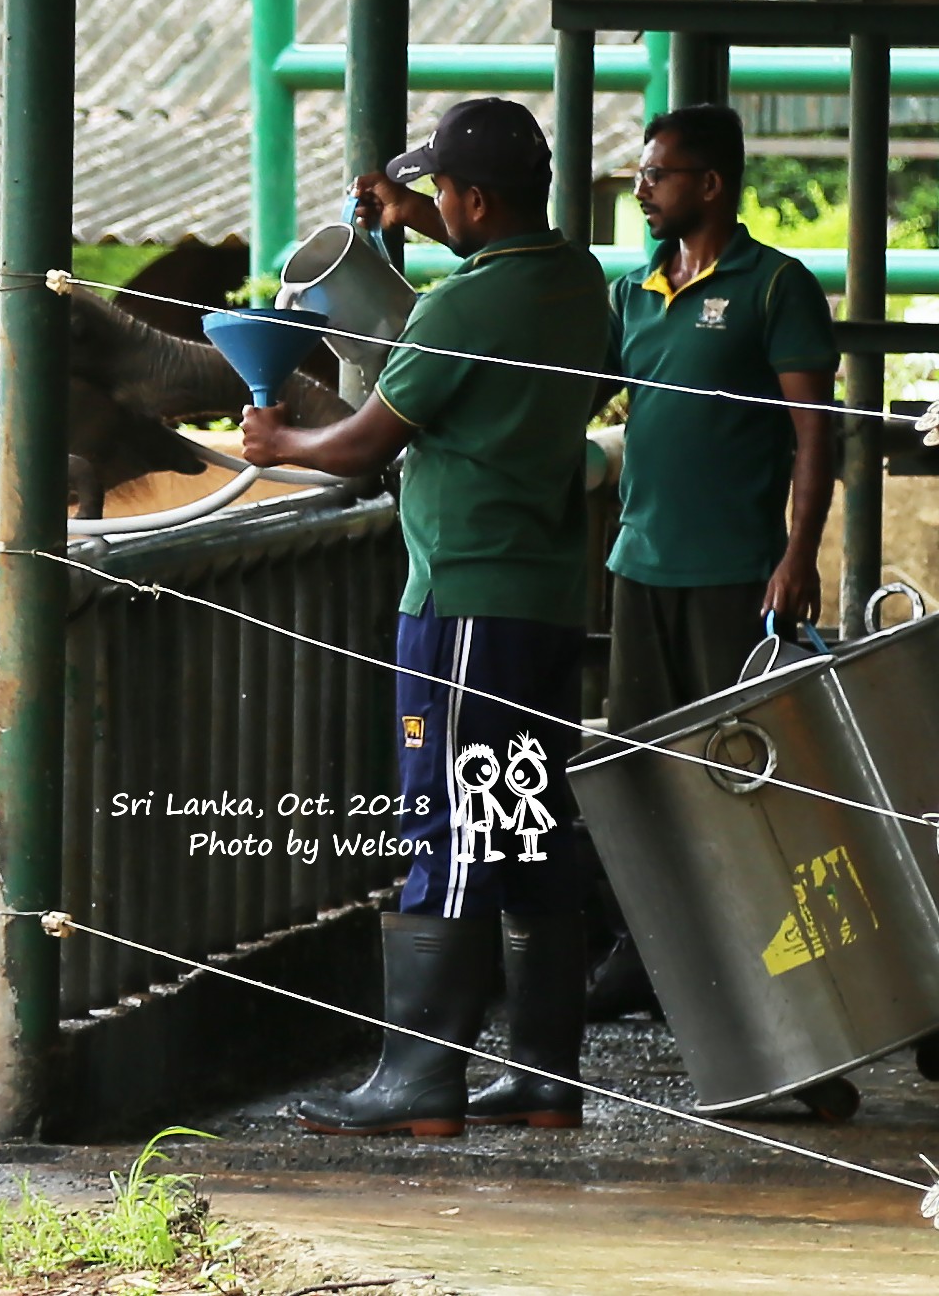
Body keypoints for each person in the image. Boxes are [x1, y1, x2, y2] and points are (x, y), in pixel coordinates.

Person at [241, 98, 612, 1136]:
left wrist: (278, 448)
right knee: (526, 822)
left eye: (440, 190)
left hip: (459, 598)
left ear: (474, 198)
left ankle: (420, 1078)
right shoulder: (577, 280)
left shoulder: (459, 309)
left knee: (444, 824)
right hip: (543, 595)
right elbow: (488, 341)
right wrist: (408, 214)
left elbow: (361, 444)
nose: (429, 203)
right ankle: (543, 1075)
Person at [588, 105, 842, 1026]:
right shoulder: (636, 290)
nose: (643, 189)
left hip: (735, 573)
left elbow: (817, 436)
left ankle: (772, 969)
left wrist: (797, 554)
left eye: (657, 175)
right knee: (636, 770)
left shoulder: (777, 288)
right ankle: (645, 953)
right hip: (639, 563)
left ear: (710, 184)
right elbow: (578, 384)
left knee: (740, 778)